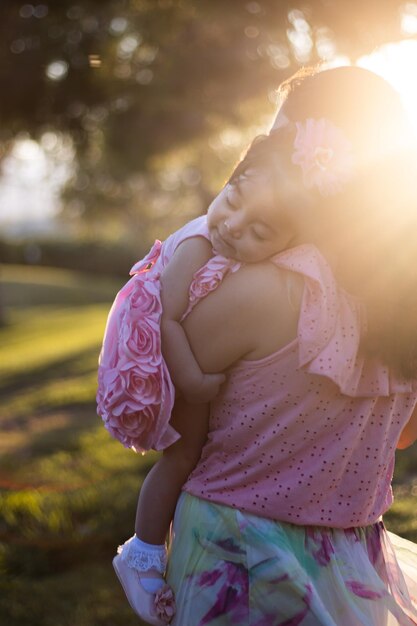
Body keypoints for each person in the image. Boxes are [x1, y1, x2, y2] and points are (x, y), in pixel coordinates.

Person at [151, 65, 417, 625]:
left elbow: (167, 421)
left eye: (280, 142)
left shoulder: (263, 291)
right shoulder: (406, 303)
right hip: (350, 567)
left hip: (238, 558)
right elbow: (403, 436)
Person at [97, 113, 309, 622]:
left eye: (259, 230)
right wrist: (193, 380)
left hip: (187, 342)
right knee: (182, 454)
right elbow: (169, 319)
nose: (233, 227)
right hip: (158, 349)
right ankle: (142, 553)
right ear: (227, 180)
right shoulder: (198, 244)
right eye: (232, 200)